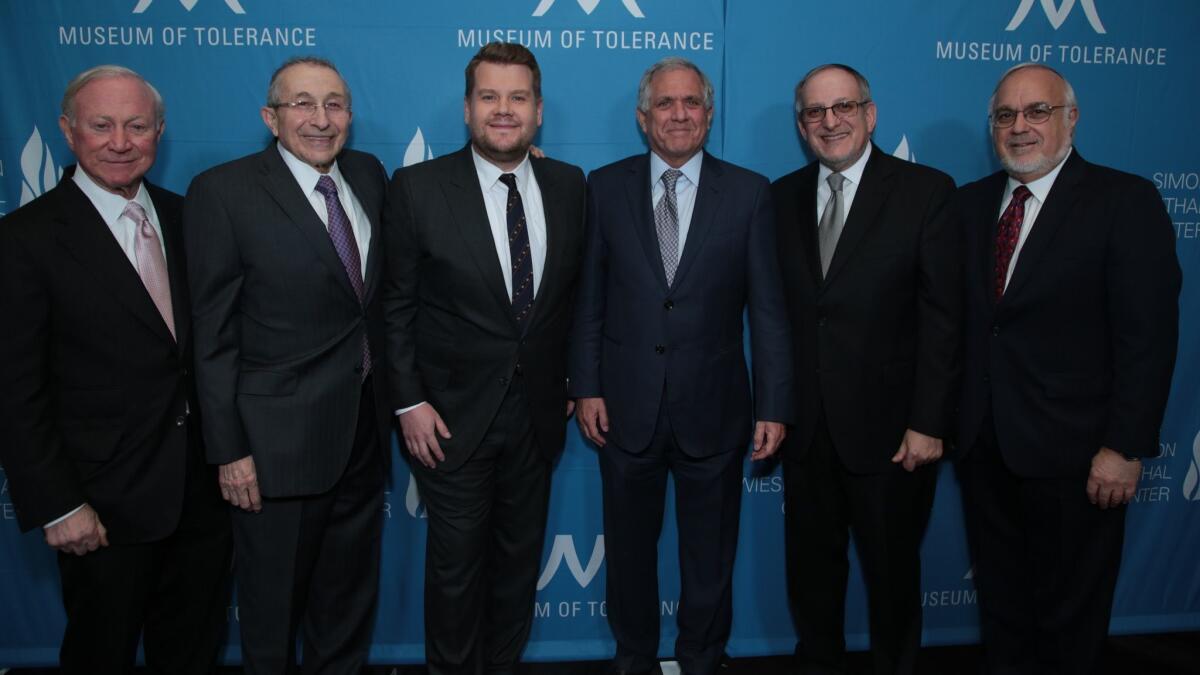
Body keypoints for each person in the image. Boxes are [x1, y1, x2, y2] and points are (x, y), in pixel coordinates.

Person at [0, 65, 231, 674]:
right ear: (67, 132)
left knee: (192, 653)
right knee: (100, 654)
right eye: (102, 126)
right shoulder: (24, 239)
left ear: (159, 131)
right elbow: (14, 389)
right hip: (100, 509)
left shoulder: (191, 218)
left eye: (137, 126)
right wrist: (57, 505)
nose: (120, 142)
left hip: (202, 499)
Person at [569, 56, 793, 675]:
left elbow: (768, 311)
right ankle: (634, 656)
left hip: (716, 412)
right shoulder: (604, 187)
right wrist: (586, 386)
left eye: (691, 102)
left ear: (710, 113)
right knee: (630, 556)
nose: (679, 114)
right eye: (665, 104)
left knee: (709, 557)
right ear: (644, 117)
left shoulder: (749, 192)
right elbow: (588, 301)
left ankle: (701, 658)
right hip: (625, 410)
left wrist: (774, 404)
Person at [956, 62, 1180, 675]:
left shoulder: (1123, 201)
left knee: (1070, 622)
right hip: (986, 448)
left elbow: (1149, 336)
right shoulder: (970, 206)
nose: (1020, 126)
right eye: (1006, 115)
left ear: (1071, 117)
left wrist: (1125, 447)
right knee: (1003, 612)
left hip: (1081, 459)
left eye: (1037, 112)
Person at [183, 56, 391, 673]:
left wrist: (523, 167)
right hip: (272, 451)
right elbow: (211, 335)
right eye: (302, 104)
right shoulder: (223, 192)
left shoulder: (369, 175)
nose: (320, 120)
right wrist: (228, 450)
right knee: (272, 617)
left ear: (350, 116)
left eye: (333, 104)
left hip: (361, 436)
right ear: (270, 117)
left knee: (347, 606)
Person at [383, 42, 585, 674]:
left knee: (517, 569)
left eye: (518, 97)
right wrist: (409, 400)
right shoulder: (417, 187)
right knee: (455, 575)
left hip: (538, 418)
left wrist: (577, 377)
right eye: (490, 97)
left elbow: (576, 297)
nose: (505, 110)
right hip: (449, 420)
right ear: (467, 110)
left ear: (539, 110)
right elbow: (394, 307)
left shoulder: (568, 185)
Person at [770, 64, 961, 675]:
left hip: (893, 434)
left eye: (843, 107)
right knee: (811, 578)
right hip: (805, 433)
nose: (830, 122)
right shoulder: (780, 197)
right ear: (801, 126)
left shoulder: (926, 191)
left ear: (870, 114)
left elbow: (944, 318)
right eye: (814, 112)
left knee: (892, 579)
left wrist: (928, 421)